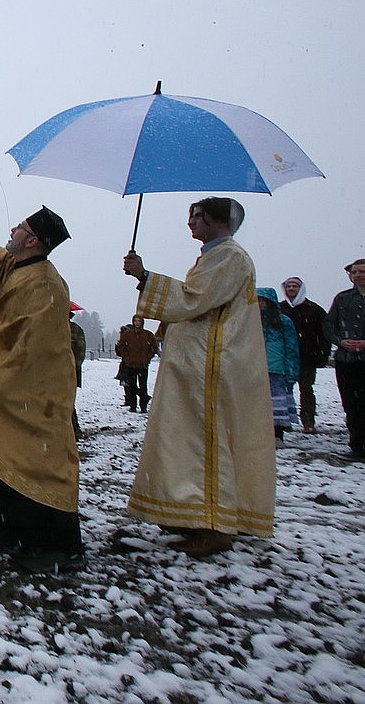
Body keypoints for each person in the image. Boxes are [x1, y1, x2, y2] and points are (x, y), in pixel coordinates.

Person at [121, 197, 275, 558]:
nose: (190, 222)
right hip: (199, 366)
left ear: (218, 221)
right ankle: (192, 513)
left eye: (197, 216)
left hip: (212, 366)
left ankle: (213, 524)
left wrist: (144, 276)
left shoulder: (230, 257)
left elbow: (192, 301)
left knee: (208, 443)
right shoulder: (213, 256)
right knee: (193, 440)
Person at [0, 182, 83, 575]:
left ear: (33, 241)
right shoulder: (17, 269)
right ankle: (11, 531)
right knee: (8, 459)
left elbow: (33, 349)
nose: (12, 232)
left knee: (38, 465)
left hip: (36, 398)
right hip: (16, 391)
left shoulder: (46, 283)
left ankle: (55, 545)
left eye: (19, 228)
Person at [323, 258, 365, 462]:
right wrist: (340, 341)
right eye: (354, 272)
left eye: (362, 272)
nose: (357, 275)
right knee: (354, 407)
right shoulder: (343, 299)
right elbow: (329, 325)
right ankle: (361, 449)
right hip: (347, 362)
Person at [279, 277, 331, 433]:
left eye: (295, 286)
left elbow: (324, 334)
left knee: (306, 389)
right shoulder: (279, 309)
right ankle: (283, 421)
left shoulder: (314, 309)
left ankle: (308, 422)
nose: (292, 289)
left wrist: (322, 354)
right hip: (284, 357)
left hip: (307, 357)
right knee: (282, 391)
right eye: (289, 286)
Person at [257, 287, 300, 445]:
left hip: (276, 368)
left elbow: (291, 347)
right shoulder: (249, 321)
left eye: (263, 300)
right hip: (254, 367)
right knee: (257, 402)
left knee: (276, 402)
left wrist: (291, 370)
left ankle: (277, 434)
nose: (260, 304)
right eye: (257, 300)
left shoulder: (283, 321)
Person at [115, 315, 157, 413]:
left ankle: (143, 407)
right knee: (132, 386)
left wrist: (147, 357)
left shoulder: (148, 335)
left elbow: (154, 347)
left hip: (143, 365)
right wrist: (126, 356)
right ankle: (133, 406)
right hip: (131, 364)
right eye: (135, 321)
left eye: (139, 321)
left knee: (143, 386)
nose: (137, 323)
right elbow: (120, 345)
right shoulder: (128, 334)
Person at [70, 312, 87, 440]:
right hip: (53, 370)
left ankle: (74, 429)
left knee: (69, 401)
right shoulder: (51, 327)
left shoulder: (75, 330)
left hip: (70, 371)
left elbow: (81, 350)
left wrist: (74, 365)